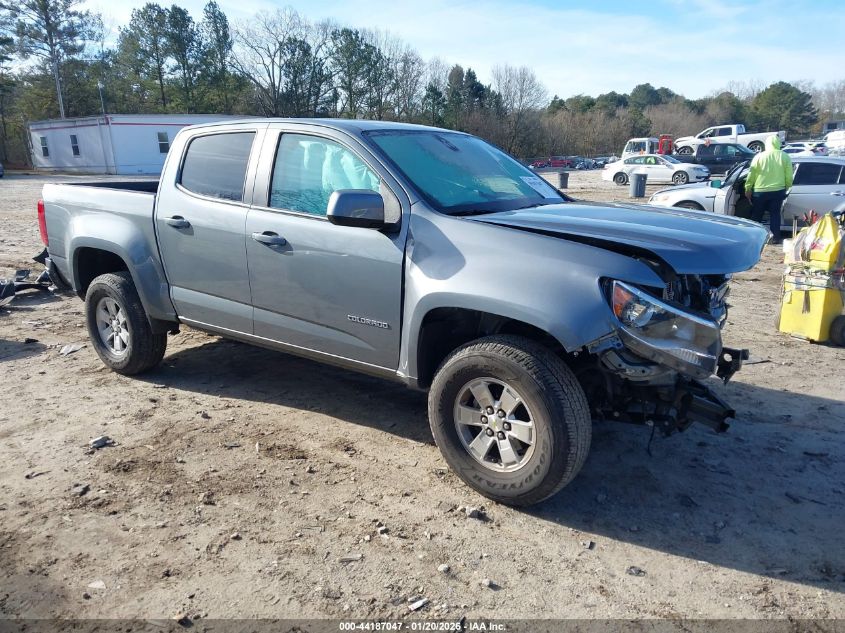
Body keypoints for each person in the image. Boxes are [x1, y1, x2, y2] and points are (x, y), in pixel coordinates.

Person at [744, 135, 793, 243]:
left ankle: (753, 237)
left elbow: (751, 174)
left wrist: (748, 188)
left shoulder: (758, 157)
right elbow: (789, 176)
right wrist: (787, 187)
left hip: (759, 191)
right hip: (778, 191)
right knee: (775, 214)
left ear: (766, 144)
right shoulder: (784, 156)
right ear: (778, 144)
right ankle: (775, 238)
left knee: (757, 215)